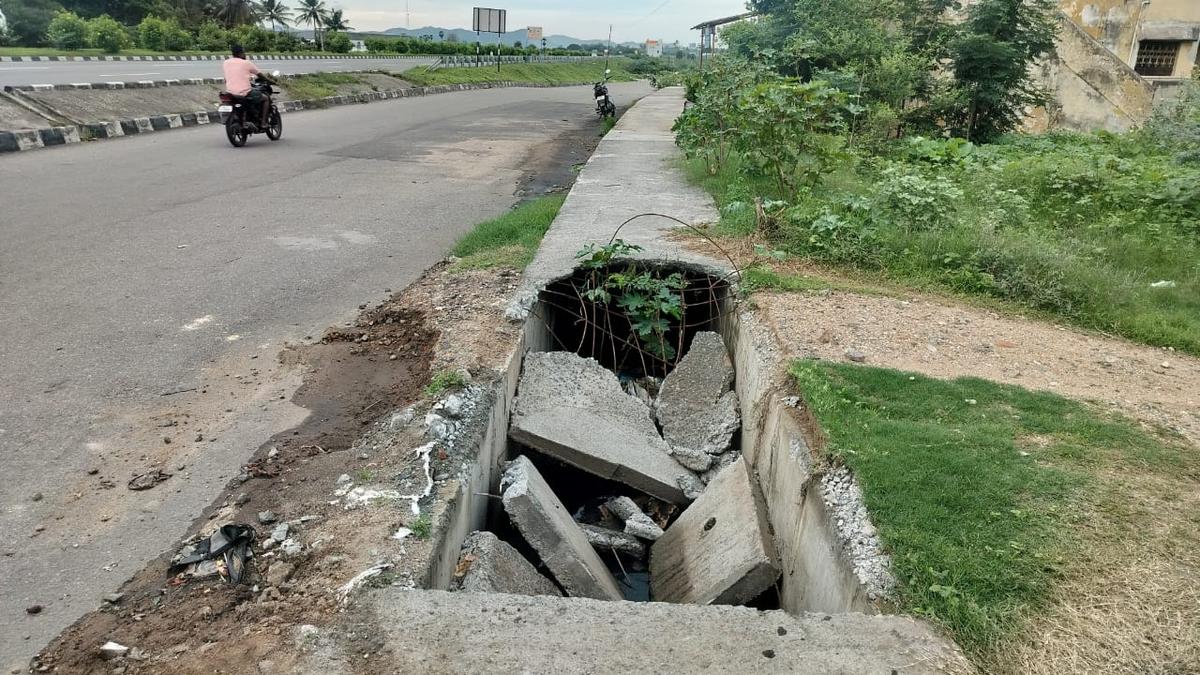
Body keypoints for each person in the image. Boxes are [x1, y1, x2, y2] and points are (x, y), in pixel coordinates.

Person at [222, 44, 272, 129]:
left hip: (230, 92)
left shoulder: (226, 62)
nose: (245, 54)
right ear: (241, 53)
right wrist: (269, 81)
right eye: (244, 52)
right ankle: (263, 123)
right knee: (266, 98)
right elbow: (260, 75)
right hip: (244, 92)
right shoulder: (246, 63)